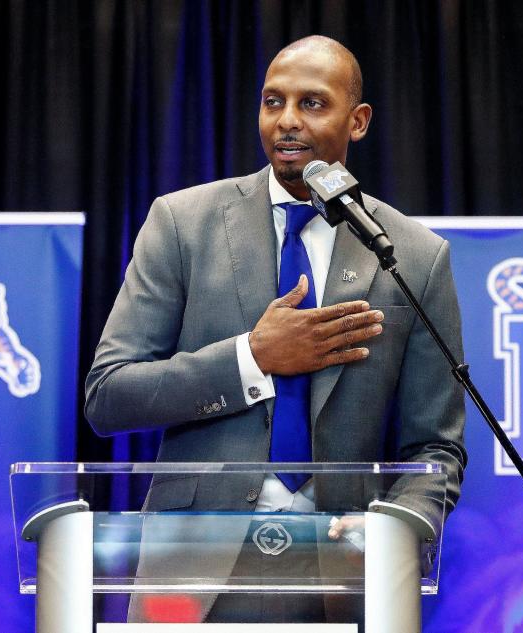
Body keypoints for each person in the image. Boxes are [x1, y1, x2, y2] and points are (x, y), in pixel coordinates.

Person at [85, 35, 466, 625]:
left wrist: (396, 526)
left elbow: (436, 448)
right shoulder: (182, 223)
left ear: (357, 120)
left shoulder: (412, 256)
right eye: (272, 102)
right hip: (192, 574)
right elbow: (108, 396)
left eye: (312, 104)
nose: (286, 121)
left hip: (345, 570)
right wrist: (251, 358)